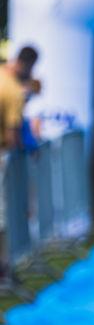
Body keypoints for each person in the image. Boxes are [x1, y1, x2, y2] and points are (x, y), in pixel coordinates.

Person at [0, 45, 39, 280]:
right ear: (28, 65)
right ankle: (4, 268)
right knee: (3, 215)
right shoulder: (13, 91)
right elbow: (12, 135)